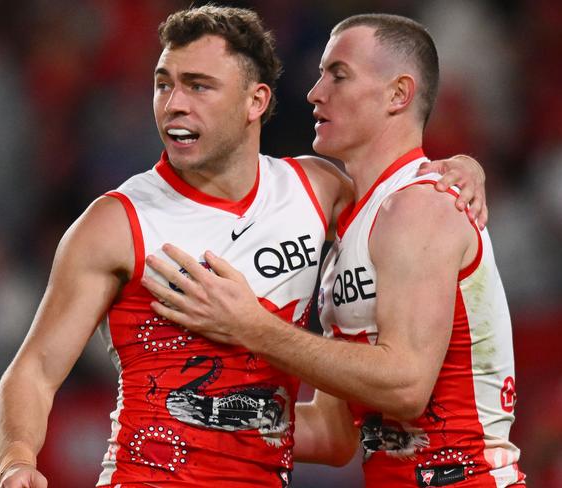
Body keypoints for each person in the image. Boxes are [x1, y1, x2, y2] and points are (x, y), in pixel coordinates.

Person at [0, 6, 487, 488]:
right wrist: (17, 461)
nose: (174, 104)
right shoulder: (116, 222)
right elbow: (34, 370)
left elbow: (403, 197)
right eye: (164, 83)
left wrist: (461, 167)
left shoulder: (318, 190)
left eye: (199, 86)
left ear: (255, 102)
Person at [142, 13, 526, 488]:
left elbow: (406, 385)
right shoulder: (349, 226)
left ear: (398, 94)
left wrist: (251, 327)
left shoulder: (420, 206)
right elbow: (333, 432)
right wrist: (207, 415)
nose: (314, 92)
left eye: (338, 75)